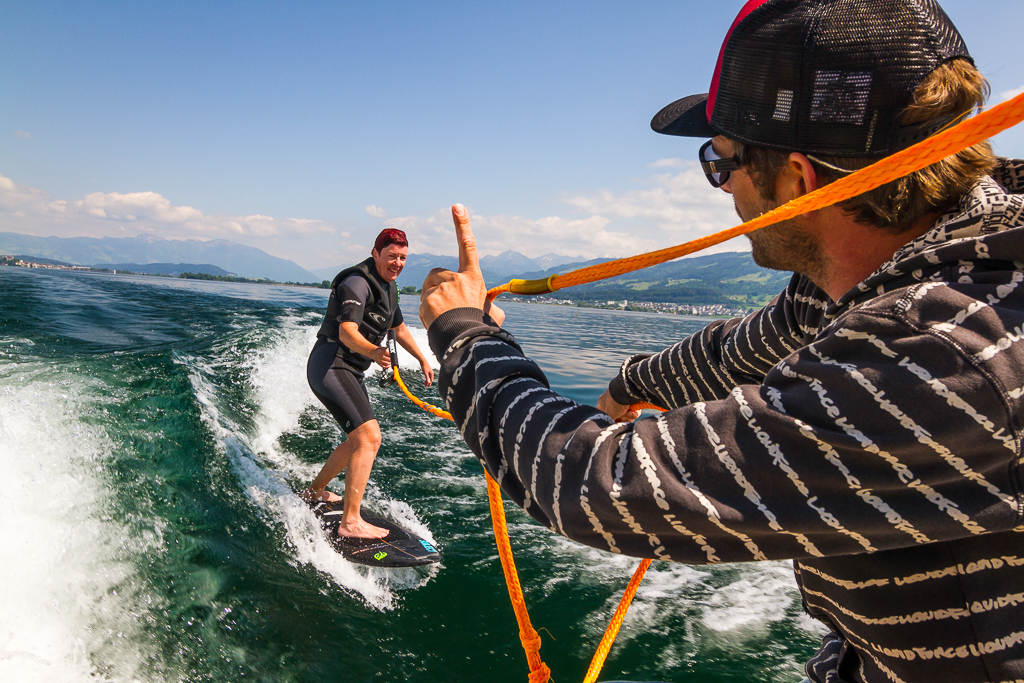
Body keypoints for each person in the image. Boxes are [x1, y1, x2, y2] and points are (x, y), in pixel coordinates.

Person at [418, 1, 1024, 681]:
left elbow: (595, 483)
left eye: (721, 161)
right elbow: (748, 343)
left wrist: (461, 332)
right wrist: (634, 382)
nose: (721, 188)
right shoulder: (916, 261)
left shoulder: (940, 352)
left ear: (800, 178)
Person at [304, 228, 434, 539]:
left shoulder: (390, 288)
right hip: (331, 365)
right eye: (392, 256)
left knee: (356, 440)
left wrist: (422, 359)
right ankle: (350, 523)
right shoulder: (357, 283)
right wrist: (374, 351)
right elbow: (347, 331)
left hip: (349, 370)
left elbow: (399, 329)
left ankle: (314, 492)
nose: (397, 262)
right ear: (375, 253)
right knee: (369, 439)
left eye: (402, 257)